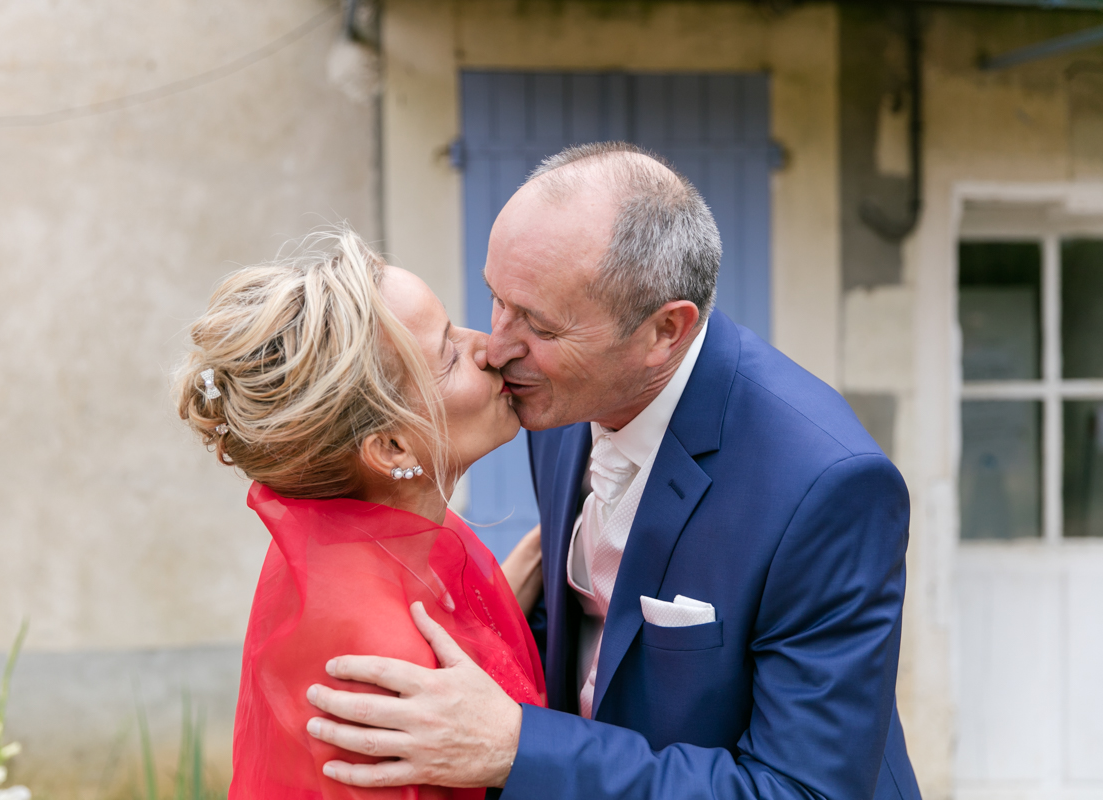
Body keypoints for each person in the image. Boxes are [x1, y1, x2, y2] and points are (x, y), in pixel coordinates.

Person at [304, 143, 924, 800]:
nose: (496, 347)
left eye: (539, 325)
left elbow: (802, 790)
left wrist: (517, 748)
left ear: (664, 331)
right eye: (497, 299)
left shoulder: (827, 486)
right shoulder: (553, 396)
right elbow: (594, 640)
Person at [173, 230, 546, 799]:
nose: (489, 348)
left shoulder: (331, 547)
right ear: (391, 448)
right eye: (449, 354)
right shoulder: (383, 671)